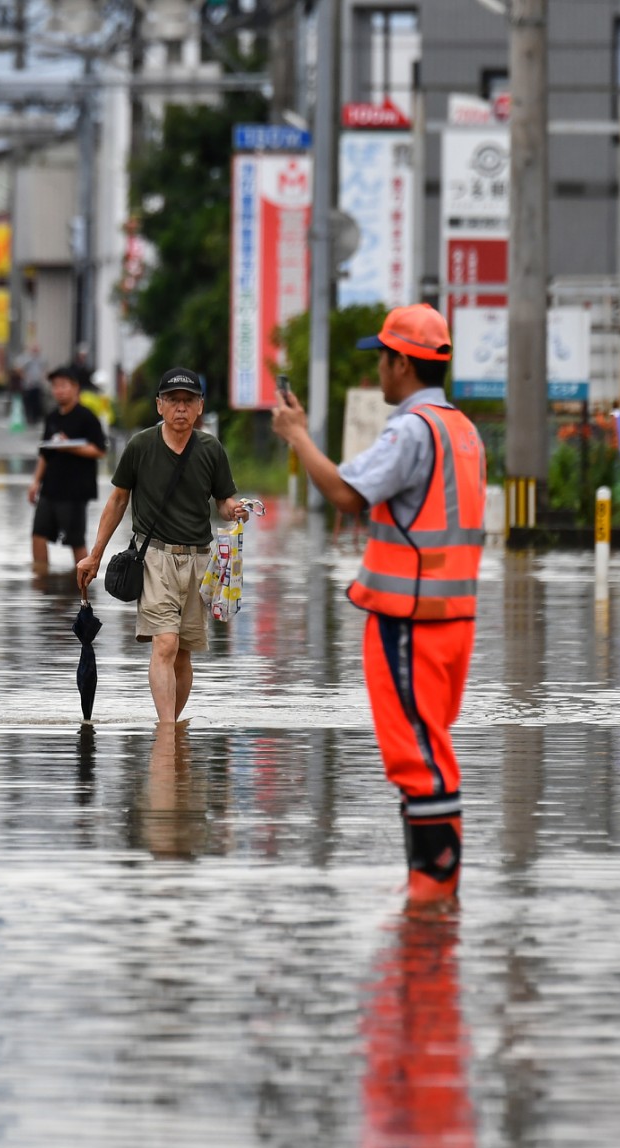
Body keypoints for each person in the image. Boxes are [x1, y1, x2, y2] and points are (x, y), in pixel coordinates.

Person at [270, 304, 485, 903]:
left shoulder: (412, 430)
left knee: (414, 752)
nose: (379, 373)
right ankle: (434, 885)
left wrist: (297, 438)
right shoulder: (461, 429)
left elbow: (345, 492)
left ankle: (432, 886)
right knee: (430, 744)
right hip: (453, 619)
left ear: (401, 363)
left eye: (382, 360)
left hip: (408, 619)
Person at [77, 368, 253, 726]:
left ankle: (171, 730)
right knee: (166, 644)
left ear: (200, 406)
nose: (181, 408)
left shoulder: (210, 449)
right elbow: (118, 500)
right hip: (153, 557)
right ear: (159, 405)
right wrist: (95, 555)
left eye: (188, 401)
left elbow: (222, 500)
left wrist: (234, 509)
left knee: (184, 653)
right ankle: (167, 731)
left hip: (199, 560)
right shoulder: (141, 446)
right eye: (173, 400)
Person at [29, 365, 108, 573]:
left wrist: (71, 445)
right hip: (50, 488)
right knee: (38, 534)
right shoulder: (52, 417)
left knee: (75, 540)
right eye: (55, 386)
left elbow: (100, 450)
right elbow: (45, 453)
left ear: (75, 388)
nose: (59, 390)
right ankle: (41, 581)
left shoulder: (86, 417)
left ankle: (82, 584)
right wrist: (36, 481)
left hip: (75, 491)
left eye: (64, 385)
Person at [20, 345, 47, 424]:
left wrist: (42, 378)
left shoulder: (41, 359)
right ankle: (29, 418)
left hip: (37, 384)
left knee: (37, 402)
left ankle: (36, 418)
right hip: (28, 385)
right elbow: (19, 369)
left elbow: (44, 369)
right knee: (28, 402)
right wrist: (25, 377)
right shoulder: (27, 359)